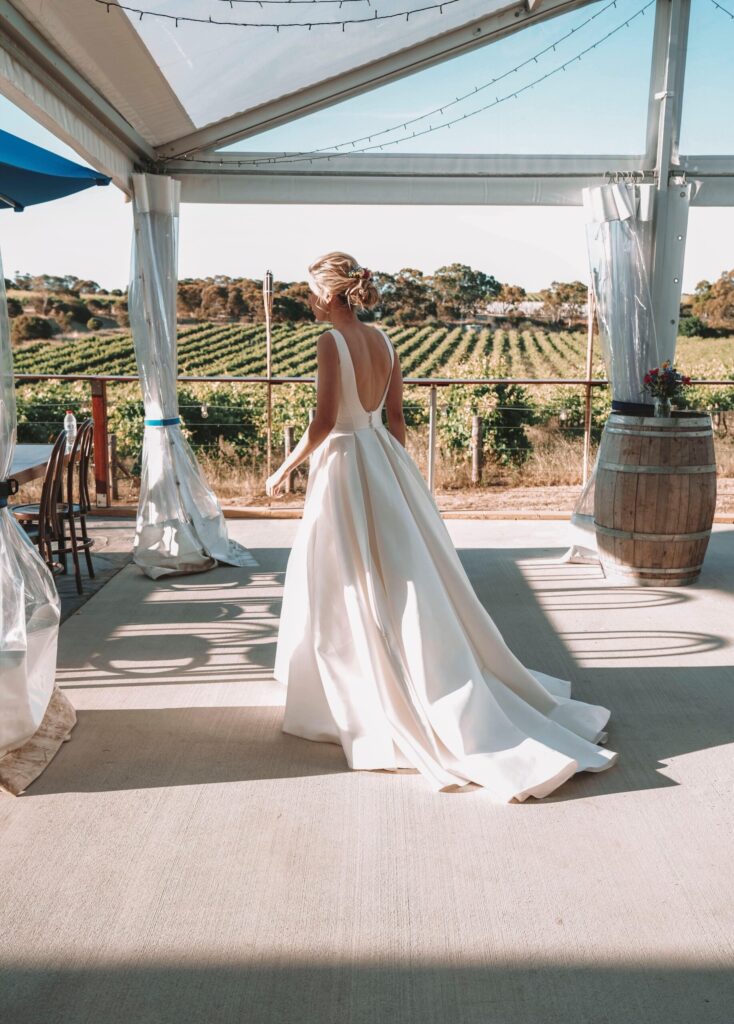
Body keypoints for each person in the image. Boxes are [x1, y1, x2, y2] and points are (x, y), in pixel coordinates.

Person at [266, 251, 618, 803]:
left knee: (346, 582)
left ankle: (362, 693)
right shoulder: (383, 340)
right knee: (394, 580)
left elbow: (326, 420)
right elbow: (398, 418)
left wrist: (283, 468)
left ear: (327, 295)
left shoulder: (330, 342)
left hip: (343, 467)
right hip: (382, 459)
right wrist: (401, 479)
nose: (308, 300)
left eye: (310, 291)